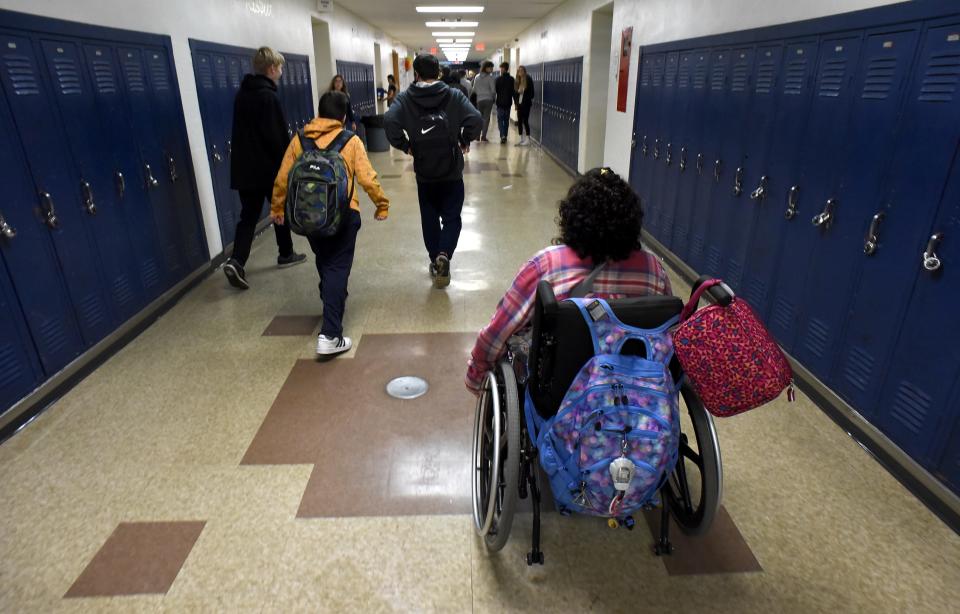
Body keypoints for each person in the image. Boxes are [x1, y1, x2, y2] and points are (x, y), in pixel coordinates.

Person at [466, 168, 673, 394]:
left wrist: (476, 376)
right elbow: (668, 335)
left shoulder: (547, 265)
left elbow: (496, 334)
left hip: (561, 397)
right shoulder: (654, 271)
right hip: (636, 394)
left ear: (573, 217)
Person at [270, 91, 390, 357]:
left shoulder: (300, 139)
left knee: (325, 259)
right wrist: (382, 204)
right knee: (337, 266)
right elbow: (367, 178)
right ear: (344, 116)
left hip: (309, 216)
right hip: (344, 215)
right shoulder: (351, 140)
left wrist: (278, 207)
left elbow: (282, 178)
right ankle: (331, 334)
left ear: (319, 113)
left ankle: (331, 297)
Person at [383, 54, 482, 289]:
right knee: (451, 217)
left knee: (429, 217)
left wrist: (406, 145)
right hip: (451, 170)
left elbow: (389, 121)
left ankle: (433, 259)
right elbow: (476, 119)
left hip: (425, 172)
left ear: (416, 74)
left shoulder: (406, 98)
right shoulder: (454, 95)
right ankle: (444, 255)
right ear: (438, 73)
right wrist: (464, 139)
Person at [224, 46, 307, 290]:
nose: (281, 72)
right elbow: (277, 138)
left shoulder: (243, 94)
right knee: (279, 209)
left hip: (245, 170)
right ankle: (286, 253)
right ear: (271, 69)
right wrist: (290, 164)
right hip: (268, 169)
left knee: (247, 217)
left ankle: (236, 261)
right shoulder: (268, 97)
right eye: (280, 67)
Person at [473, 61, 496, 142]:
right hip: (488, 100)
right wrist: (494, 98)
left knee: (479, 117)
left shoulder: (477, 77)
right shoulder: (490, 77)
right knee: (486, 118)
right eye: (491, 67)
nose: (492, 69)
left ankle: (477, 136)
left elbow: (474, 89)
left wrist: (480, 93)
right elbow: (493, 90)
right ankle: (483, 136)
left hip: (479, 100)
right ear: (486, 68)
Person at [494, 62, 516, 144]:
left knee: (500, 119)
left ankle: (502, 135)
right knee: (506, 120)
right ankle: (504, 135)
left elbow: (495, 91)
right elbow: (513, 92)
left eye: (501, 68)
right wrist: (516, 103)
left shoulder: (498, 79)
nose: (501, 70)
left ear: (504, 69)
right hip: (508, 102)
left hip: (500, 102)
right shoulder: (511, 79)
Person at [514, 65, 535, 146]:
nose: (520, 72)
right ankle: (521, 139)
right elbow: (515, 94)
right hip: (519, 104)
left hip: (526, 104)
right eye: (519, 71)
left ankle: (528, 139)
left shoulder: (528, 79)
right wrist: (516, 103)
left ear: (525, 71)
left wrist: (523, 92)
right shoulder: (517, 80)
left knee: (525, 120)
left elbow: (532, 94)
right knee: (519, 121)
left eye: (522, 70)